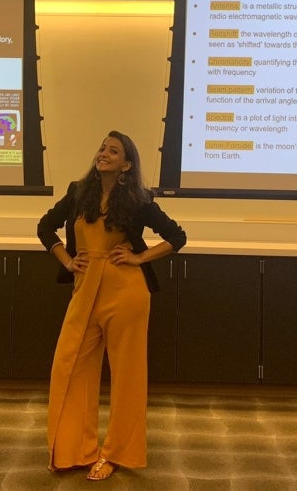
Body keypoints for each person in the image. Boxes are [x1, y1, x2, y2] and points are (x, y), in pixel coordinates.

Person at [37, 130, 187, 481]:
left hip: (127, 292)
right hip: (85, 287)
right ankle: (75, 449)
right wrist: (66, 260)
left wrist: (140, 257)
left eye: (113, 150)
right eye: (103, 147)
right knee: (70, 366)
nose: (103, 153)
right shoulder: (78, 192)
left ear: (126, 164)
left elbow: (177, 237)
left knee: (127, 377)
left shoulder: (138, 199)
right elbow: (45, 228)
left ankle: (117, 453)